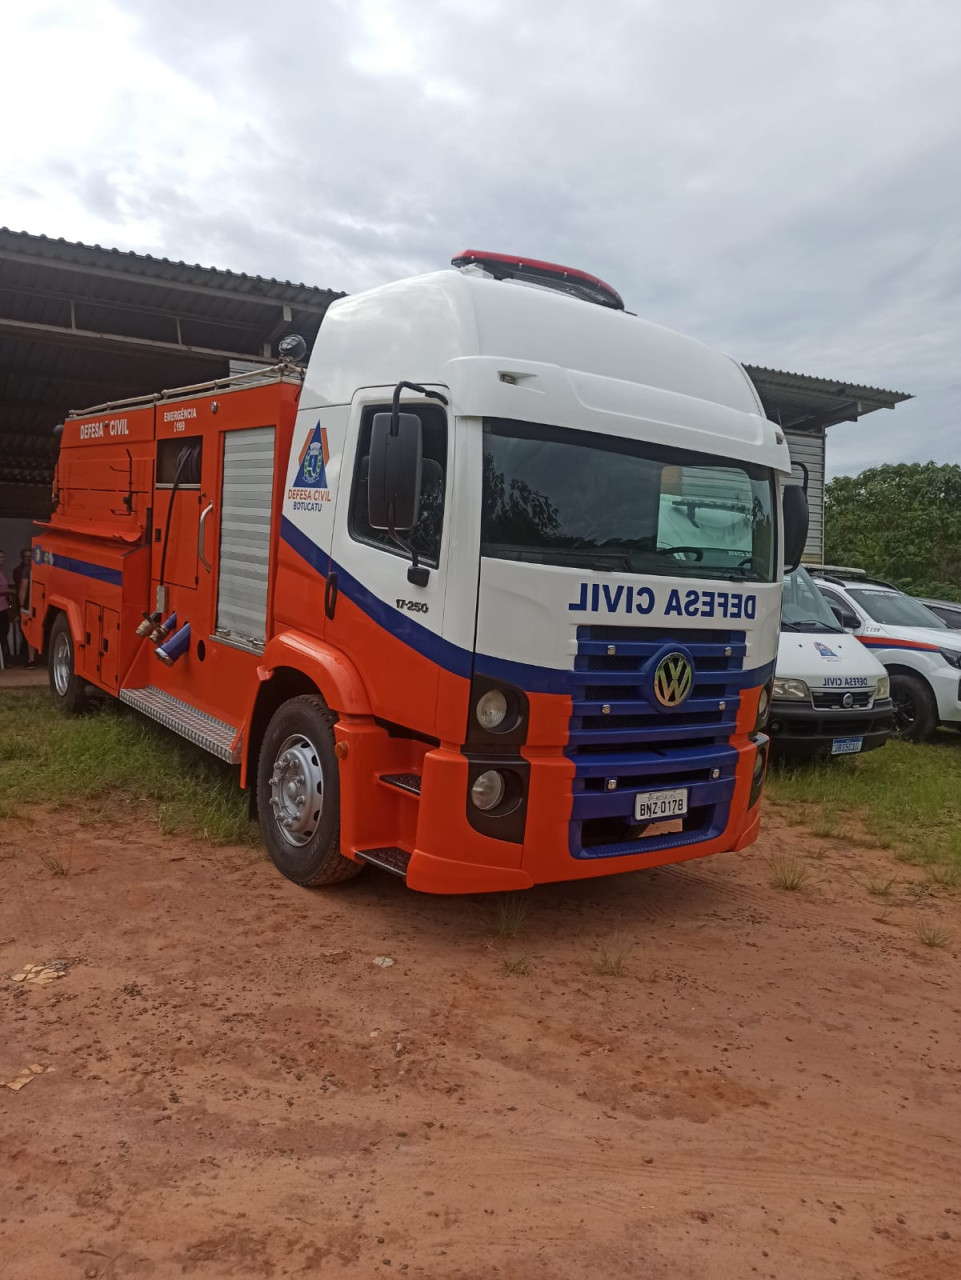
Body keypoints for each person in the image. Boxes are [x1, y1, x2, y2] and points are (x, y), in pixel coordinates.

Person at [13, 550, 36, 668]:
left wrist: (21, 606)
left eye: (30, 556)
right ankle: (29, 658)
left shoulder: (28, 570)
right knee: (29, 632)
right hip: (29, 604)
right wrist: (21, 606)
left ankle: (31, 659)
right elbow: (22, 587)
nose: (28, 558)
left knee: (30, 632)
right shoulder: (21, 570)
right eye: (26, 556)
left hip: (30, 604)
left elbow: (23, 588)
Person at [0, 550, 11, 666]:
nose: (2, 559)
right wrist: (10, 591)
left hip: (4, 606)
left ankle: (4, 659)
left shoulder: (2, 572)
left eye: (3, 557)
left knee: (4, 633)